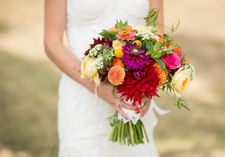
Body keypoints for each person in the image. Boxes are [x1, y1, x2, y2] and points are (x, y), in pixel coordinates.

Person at [44, 0, 164, 156]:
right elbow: (52, 42)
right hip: (83, 103)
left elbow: (159, 35)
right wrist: (96, 86)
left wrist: (148, 86)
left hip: (134, 101)